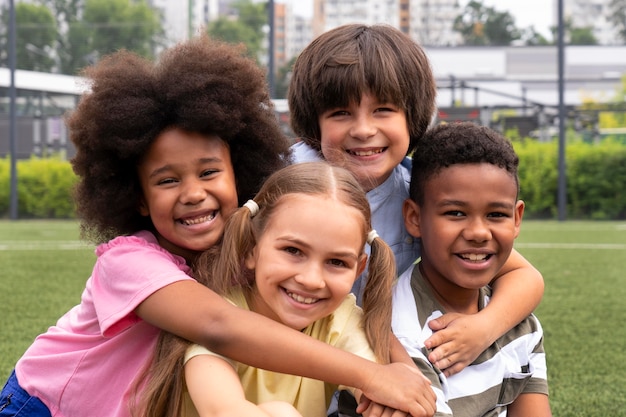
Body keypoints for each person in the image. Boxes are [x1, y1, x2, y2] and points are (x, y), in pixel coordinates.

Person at [0, 35, 433, 417]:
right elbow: (219, 326)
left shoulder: (251, 240)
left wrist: (393, 367)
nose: (192, 193)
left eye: (209, 173)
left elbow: (353, 317)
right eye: (168, 180)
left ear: (240, 172)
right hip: (47, 405)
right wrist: (370, 376)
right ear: (136, 197)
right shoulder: (128, 261)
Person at [288, 23, 545, 377]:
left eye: (383, 110)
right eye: (341, 113)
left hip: (378, 364)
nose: (363, 129)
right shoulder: (280, 184)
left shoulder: (417, 192)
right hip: (288, 360)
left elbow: (524, 276)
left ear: (413, 116)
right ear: (314, 122)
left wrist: (482, 329)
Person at [136, 161, 434, 417]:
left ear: (358, 268)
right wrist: (375, 380)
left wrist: (391, 399)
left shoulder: (340, 321)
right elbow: (223, 409)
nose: (311, 279)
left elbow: (380, 389)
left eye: (336, 262)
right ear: (251, 249)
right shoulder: (220, 315)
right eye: (293, 251)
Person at [392, 122, 551, 416]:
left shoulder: (519, 322)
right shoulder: (404, 335)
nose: (479, 232)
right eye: (455, 213)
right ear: (414, 218)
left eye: (496, 214)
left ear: (517, 219)